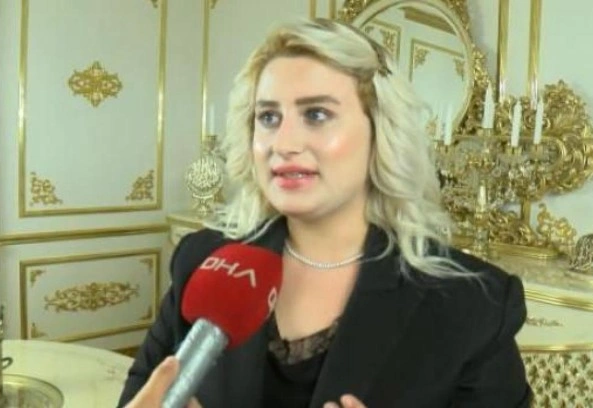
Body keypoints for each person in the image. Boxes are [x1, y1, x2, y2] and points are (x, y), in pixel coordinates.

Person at [117, 17, 532, 408]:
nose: (284, 143)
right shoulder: (202, 260)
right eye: (268, 117)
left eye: (317, 114)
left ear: (380, 132)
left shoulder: (473, 304)